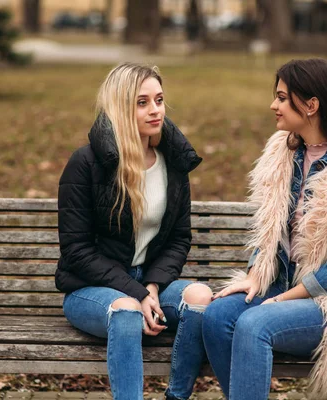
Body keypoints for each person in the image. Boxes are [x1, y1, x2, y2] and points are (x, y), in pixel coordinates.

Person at [202, 58, 327, 400]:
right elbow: (272, 227)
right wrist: (254, 273)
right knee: (217, 316)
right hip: (279, 285)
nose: (273, 105)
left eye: (282, 97)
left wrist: (287, 298)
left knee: (254, 325)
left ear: (311, 105)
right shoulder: (283, 152)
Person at [55, 63, 211, 400]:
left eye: (159, 99)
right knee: (125, 310)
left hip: (148, 282)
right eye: (142, 102)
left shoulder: (174, 162)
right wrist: (136, 293)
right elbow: (76, 250)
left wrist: (152, 286)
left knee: (200, 298)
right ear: (121, 107)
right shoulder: (86, 163)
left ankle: (177, 395)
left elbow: (179, 237)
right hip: (92, 289)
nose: (155, 110)